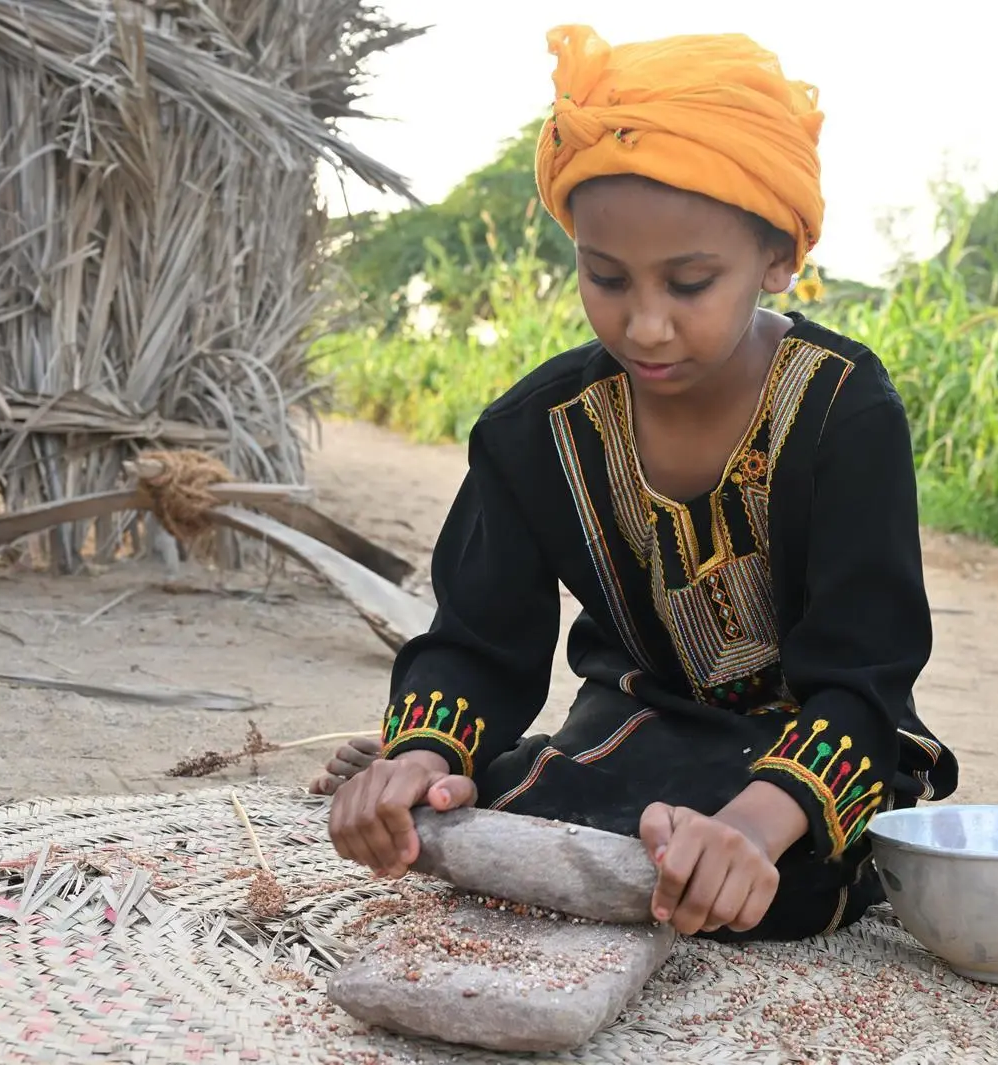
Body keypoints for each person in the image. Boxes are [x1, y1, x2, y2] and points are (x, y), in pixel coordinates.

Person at [312, 24, 958, 942]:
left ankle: (735, 839)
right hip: (631, 730)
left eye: (689, 283)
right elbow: (479, 642)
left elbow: (866, 669)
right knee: (503, 804)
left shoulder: (843, 414)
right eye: (606, 276)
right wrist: (424, 750)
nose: (645, 324)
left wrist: (745, 829)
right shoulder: (534, 433)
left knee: (785, 882)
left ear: (777, 260)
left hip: (824, 740)